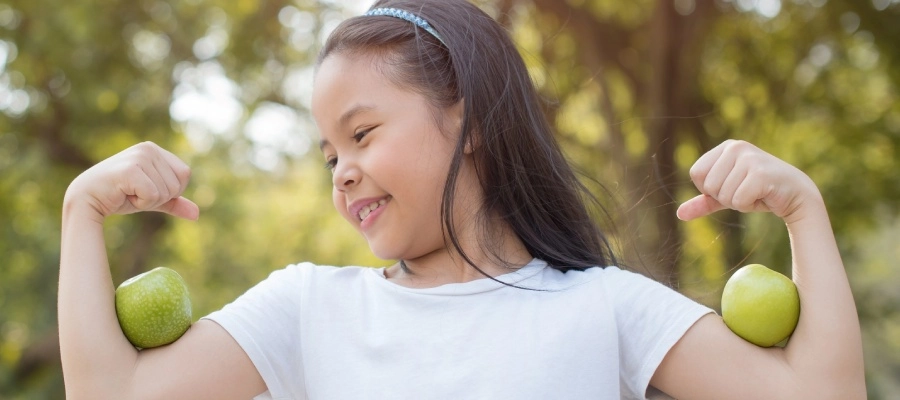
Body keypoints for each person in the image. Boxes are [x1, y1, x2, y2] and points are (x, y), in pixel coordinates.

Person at [58, 0, 866, 398]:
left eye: (363, 133)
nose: (339, 170)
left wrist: (804, 212)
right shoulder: (304, 308)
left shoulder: (605, 307)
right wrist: (81, 213)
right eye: (328, 153)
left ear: (467, 118)